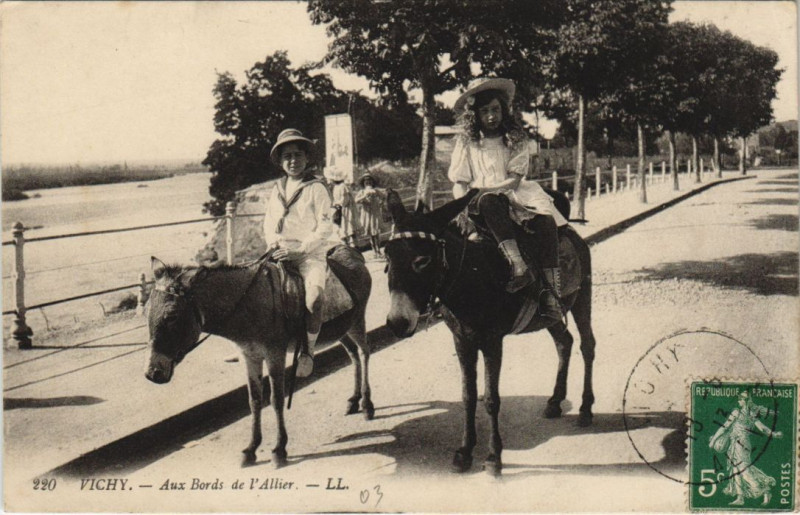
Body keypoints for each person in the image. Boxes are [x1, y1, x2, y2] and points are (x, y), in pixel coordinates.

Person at [448, 78, 567, 322]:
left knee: (544, 221)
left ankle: (551, 295)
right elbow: (460, 181)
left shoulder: (514, 138)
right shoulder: (467, 143)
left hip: (511, 193)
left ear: (503, 110)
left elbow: (514, 180)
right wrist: (462, 206)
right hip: (478, 202)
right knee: (476, 214)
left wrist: (486, 190)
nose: (491, 116)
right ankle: (517, 266)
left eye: (495, 109)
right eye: (484, 111)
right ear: (475, 115)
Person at [264, 128, 338, 377]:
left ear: (307, 158)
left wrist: (301, 250)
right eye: (287, 157)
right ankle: (255, 343)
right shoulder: (277, 189)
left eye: (297, 155)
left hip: (309, 253)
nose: (292, 161)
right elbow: (268, 222)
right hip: (279, 250)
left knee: (313, 299)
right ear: (281, 162)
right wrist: (274, 243)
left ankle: (309, 350)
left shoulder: (316, 188)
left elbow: (325, 226)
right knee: (252, 291)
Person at [709, 391, 782, 506]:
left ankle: (763, 489)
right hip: (737, 443)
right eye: (739, 399)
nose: (738, 401)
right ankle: (740, 497)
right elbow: (762, 429)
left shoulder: (737, 412)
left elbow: (724, 427)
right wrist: (773, 434)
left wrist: (713, 441)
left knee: (744, 469)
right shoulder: (752, 414)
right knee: (735, 470)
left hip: (740, 443)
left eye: (741, 399)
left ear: (746, 401)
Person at [355, 173, 385, 259]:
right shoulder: (362, 192)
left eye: (370, 181)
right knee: (371, 233)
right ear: (363, 183)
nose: (368, 183)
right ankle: (374, 251)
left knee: (376, 233)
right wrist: (364, 197)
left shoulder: (376, 191)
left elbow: (384, 197)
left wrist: (381, 203)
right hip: (367, 213)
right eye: (366, 181)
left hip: (375, 213)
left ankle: (378, 250)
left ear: (372, 182)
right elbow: (356, 200)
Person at [327, 168, 359, 247]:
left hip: (345, 210)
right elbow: (335, 199)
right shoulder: (335, 187)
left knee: (348, 227)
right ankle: (346, 245)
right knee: (340, 228)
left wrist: (339, 204)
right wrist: (334, 204)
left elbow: (345, 199)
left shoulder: (343, 186)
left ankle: (353, 246)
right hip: (339, 209)